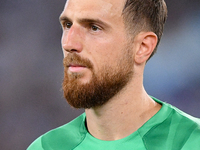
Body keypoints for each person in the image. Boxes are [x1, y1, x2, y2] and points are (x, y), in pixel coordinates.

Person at [27, 0, 200, 149]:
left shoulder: (191, 141)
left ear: (142, 47)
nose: (69, 43)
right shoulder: (46, 146)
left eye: (94, 28)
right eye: (68, 25)